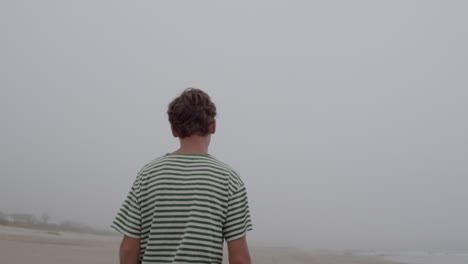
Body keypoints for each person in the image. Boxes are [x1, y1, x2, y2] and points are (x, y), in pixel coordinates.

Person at [111, 88, 253, 264]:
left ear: (174, 130)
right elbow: (240, 258)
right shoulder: (229, 179)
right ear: (213, 126)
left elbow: (128, 248)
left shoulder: (148, 174)